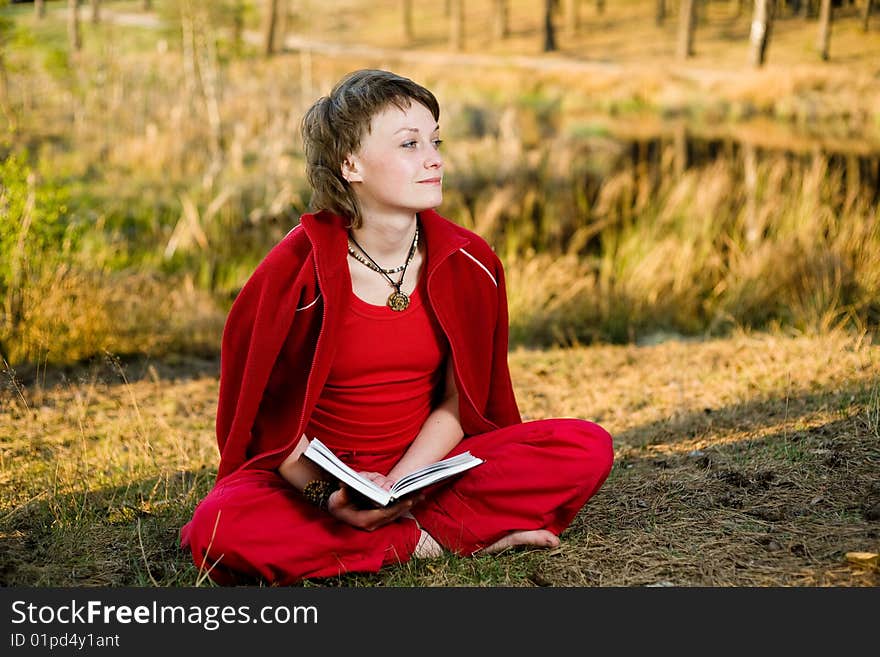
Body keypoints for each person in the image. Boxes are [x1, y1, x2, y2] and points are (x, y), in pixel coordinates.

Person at [180, 69, 614, 585]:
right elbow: (269, 425)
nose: (434, 159)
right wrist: (333, 497)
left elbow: (461, 403)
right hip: (318, 485)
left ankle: (393, 534)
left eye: (435, 140)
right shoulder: (291, 273)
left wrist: (400, 484)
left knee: (585, 447)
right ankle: (427, 541)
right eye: (409, 144)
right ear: (350, 163)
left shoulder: (470, 261)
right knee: (220, 526)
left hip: (429, 469)